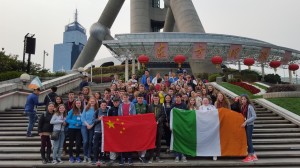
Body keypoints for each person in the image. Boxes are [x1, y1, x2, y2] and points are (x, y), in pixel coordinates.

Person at [118, 93, 136, 166]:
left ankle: (129, 157)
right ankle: (122, 157)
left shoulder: (132, 105)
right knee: (122, 141)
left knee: (129, 142)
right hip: (122, 125)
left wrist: (129, 122)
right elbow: (119, 115)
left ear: (128, 97)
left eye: (126, 97)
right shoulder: (120, 105)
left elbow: (133, 115)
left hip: (129, 125)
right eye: (124, 97)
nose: (125, 98)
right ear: (123, 97)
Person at [147, 94, 165, 163]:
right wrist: (152, 122)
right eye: (155, 98)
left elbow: (163, 115)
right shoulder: (149, 106)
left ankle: (158, 157)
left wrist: (158, 121)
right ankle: (151, 157)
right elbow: (148, 115)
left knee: (158, 142)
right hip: (152, 127)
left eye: (157, 98)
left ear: (159, 99)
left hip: (159, 126)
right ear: (153, 99)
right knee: (152, 141)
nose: (156, 99)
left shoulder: (161, 106)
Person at [241, 95, 258, 162]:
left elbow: (254, 116)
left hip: (249, 125)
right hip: (245, 125)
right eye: (242, 99)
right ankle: (254, 155)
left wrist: (246, 121)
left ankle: (250, 156)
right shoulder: (242, 106)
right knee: (248, 140)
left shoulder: (249, 106)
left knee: (249, 140)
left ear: (247, 100)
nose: (243, 100)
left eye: (244, 99)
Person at [171, 93, 188, 163]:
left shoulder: (184, 105)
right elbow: (170, 115)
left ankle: (183, 155)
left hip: (183, 126)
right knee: (176, 141)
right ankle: (177, 156)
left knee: (183, 141)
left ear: (181, 98)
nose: (177, 98)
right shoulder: (173, 105)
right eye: (176, 97)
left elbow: (187, 114)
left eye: (178, 97)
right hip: (175, 126)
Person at [81, 97, 98, 163]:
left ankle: (89, 156)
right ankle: (85, 156)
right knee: (85, 141)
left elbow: (96, 119)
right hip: (84, 126)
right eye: (91, 101)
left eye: (93, 101)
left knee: (90, 142)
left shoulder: (96, 109)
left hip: (92, 126)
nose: (92, 102)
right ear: (89, 102)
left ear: (95, 102)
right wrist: (87, 124)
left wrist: (91, 125)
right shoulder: (86, 108)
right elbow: (82, 117)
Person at [92, 100, 109, 166]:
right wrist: (99, 119)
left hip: (105, 131)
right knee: (95, 145)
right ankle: (95, 158)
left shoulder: (108, 111)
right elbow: (93, 120)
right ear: (100, 105)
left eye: (105, 105)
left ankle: (103, 158)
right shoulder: (97, 111)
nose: (103, 106)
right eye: (102, 105)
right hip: (97, 130)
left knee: (103, 145)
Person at [107, 97, 121, 166]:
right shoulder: (111, 109)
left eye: (117, 102)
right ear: (113, 102)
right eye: (114, 102)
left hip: (121, 129)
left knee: (120, 143)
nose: (116, 103)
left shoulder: (121, 109)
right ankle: (112, 158)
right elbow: (108, 119)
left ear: (119, 102)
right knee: (112, 143)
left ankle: (120, 156)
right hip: (112, 129)